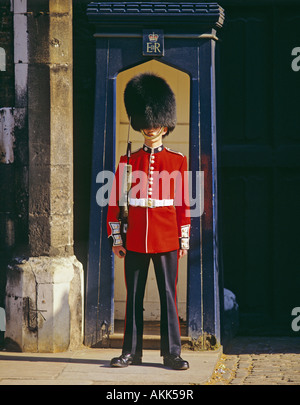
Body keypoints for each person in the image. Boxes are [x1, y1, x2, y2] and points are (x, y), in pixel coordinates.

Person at [107, 73, 191, 370]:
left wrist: (183, 238)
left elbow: (182, 202)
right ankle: (131, 352)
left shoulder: (178, 161)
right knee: (134, 298)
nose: (151, 127)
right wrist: (117, 238)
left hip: (167, 237)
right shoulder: (126, 162)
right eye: (146, 121)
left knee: (169, 295)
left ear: (165, 124)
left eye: (156, 122)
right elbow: (115, 202)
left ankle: (172, 352)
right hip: (136, 237)